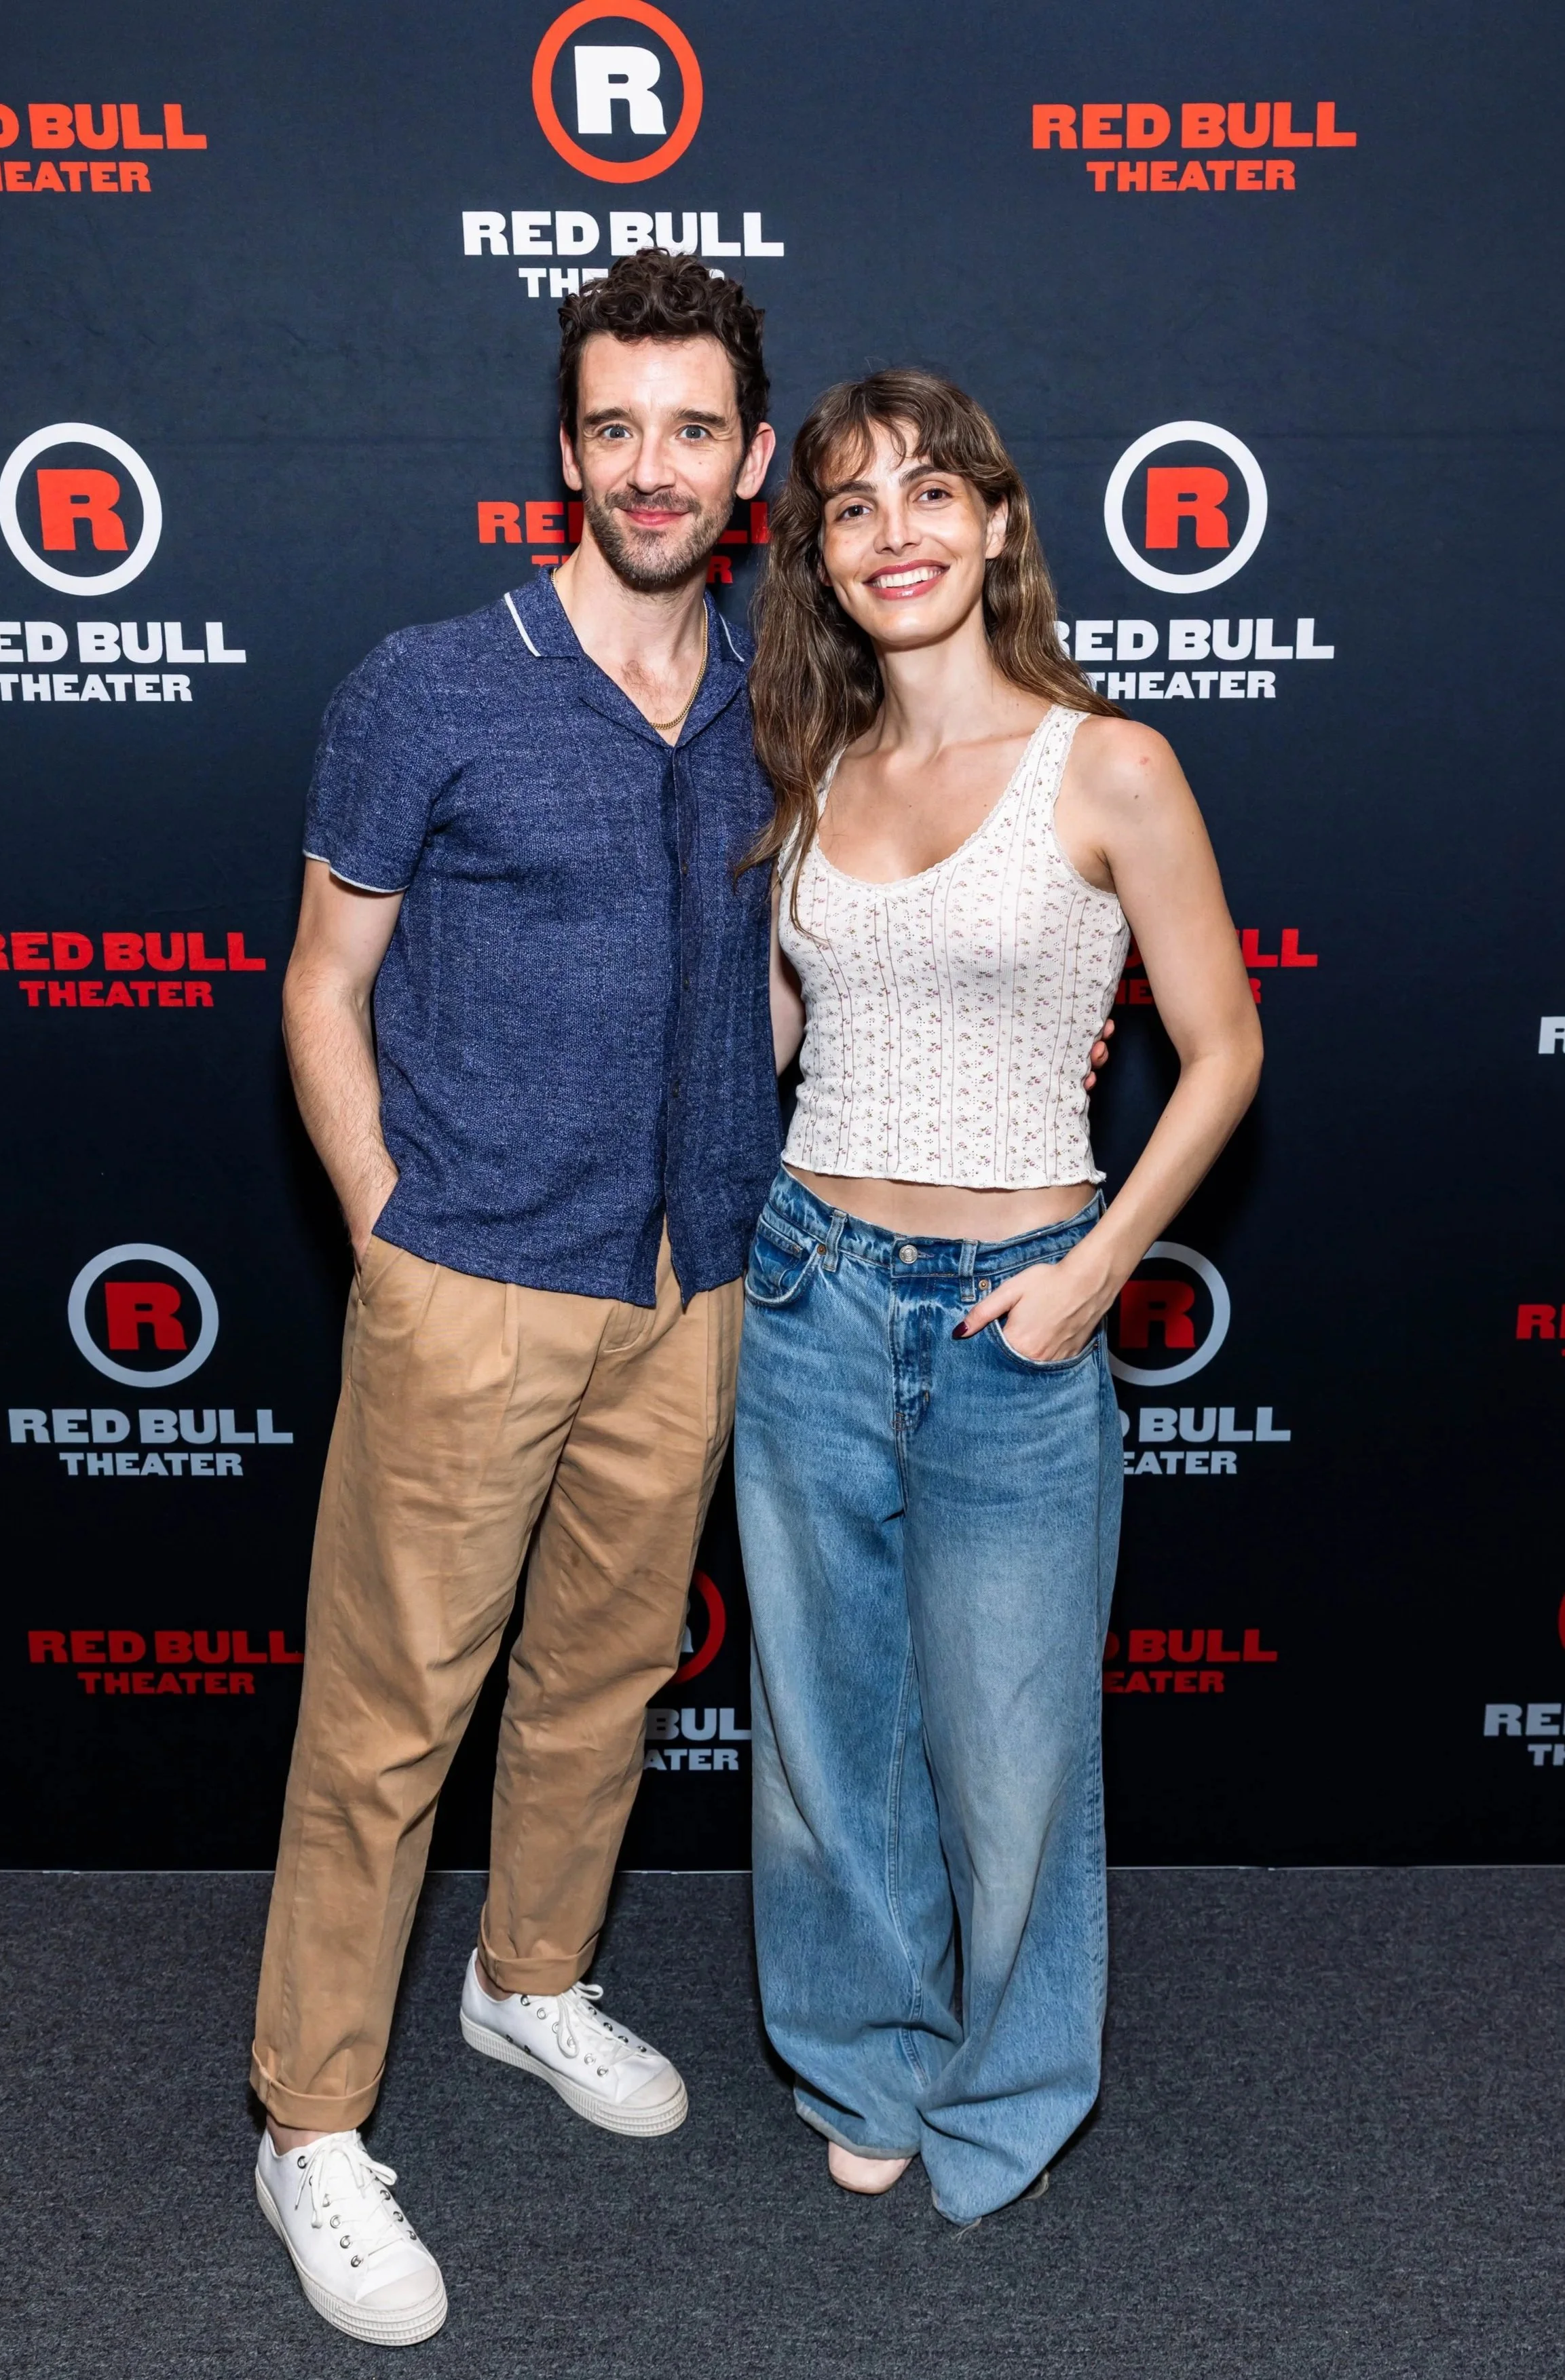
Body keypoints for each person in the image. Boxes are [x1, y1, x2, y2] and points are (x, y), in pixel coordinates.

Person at [248, 252, 782, 2347]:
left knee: (603, 1677)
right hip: (471, 1275)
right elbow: (325, 983)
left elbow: (777, 965)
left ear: (747, 460)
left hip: (692, 1278)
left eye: (694, 429)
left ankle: (530, 1980)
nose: (652, 467)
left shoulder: (778, 686)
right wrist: (390, 1221)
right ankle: (309, 2122)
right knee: (388, 1728)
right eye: (614, 426)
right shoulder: (427, 685)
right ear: (567, 449)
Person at [735, 369, 1263, 2228]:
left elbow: (1222, 1050)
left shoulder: (1108, 762)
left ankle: (1011, 2087)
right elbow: (783, 1041)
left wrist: (1093, 1272)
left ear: (995, 525)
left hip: (1014, 1320)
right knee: (817, 1742)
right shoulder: (812, 774)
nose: (898, 533)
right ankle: (859, 2052)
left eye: (930, 493)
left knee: (1016, 1744)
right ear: (821, 555)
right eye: (856, 507)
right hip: (808, 1290)